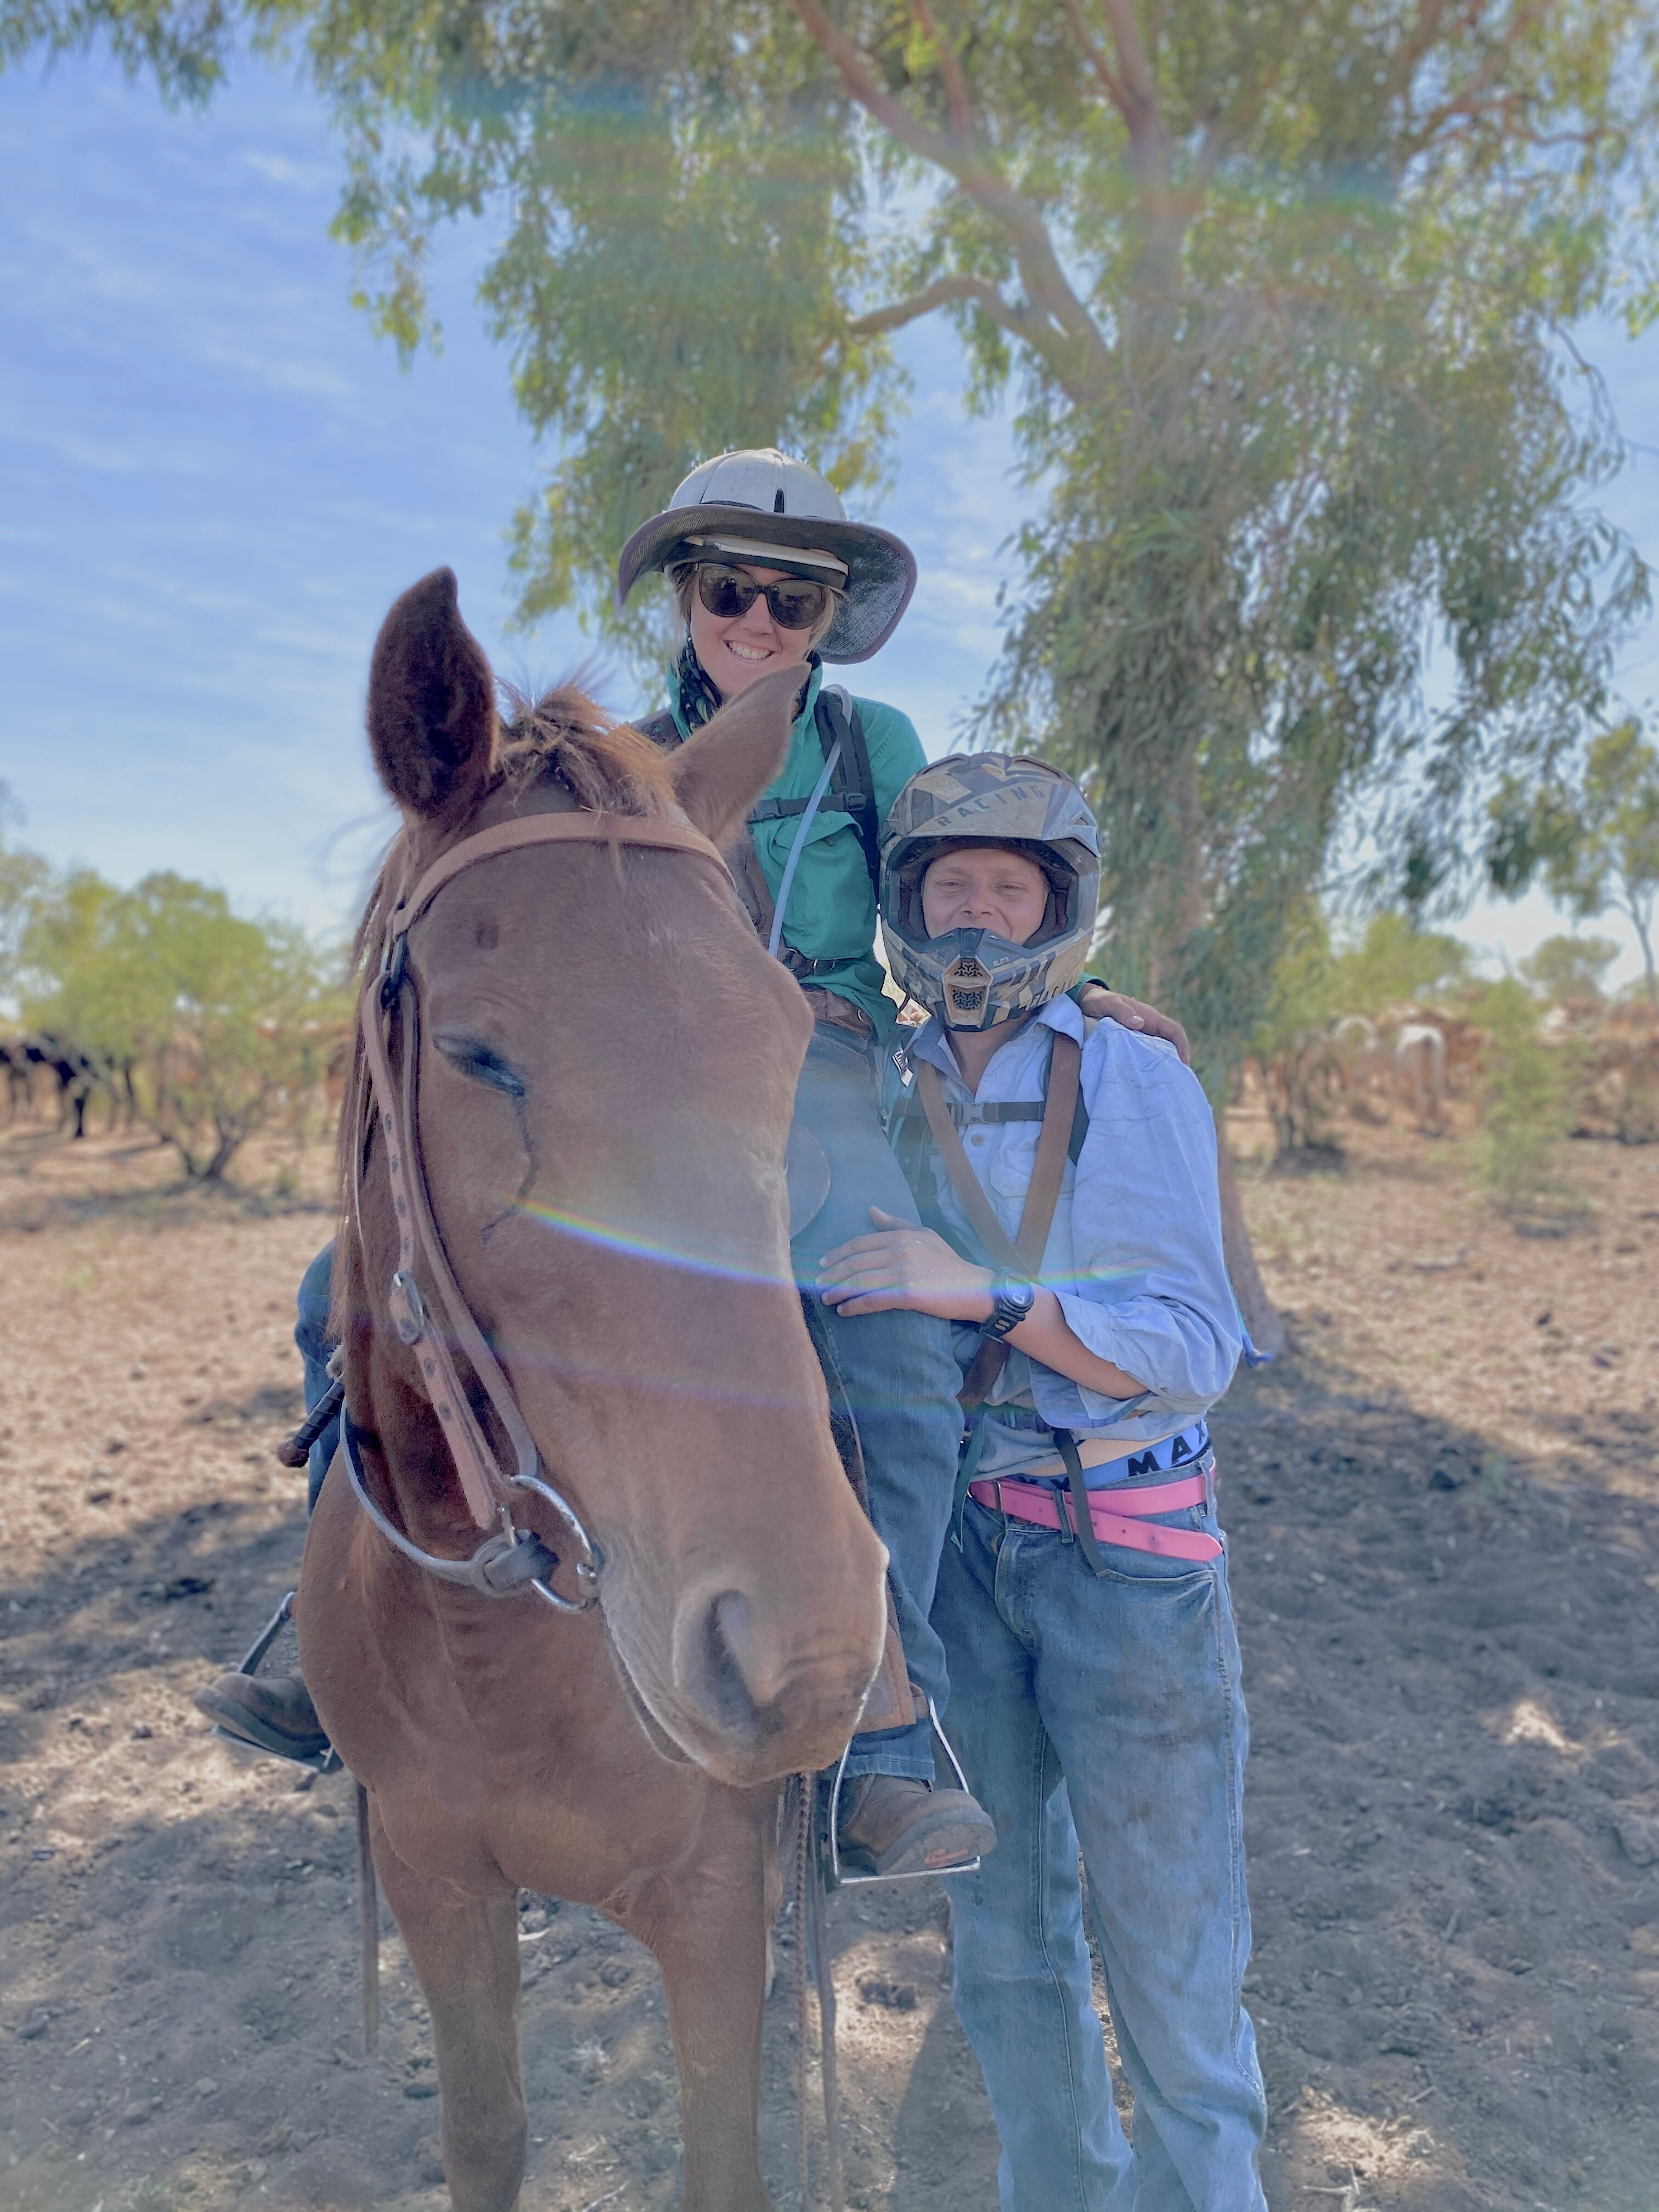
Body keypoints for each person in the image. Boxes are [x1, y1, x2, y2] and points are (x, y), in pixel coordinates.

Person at [200, 449, 1187, 1884]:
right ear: (684, 595)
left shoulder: (873, 749)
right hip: (638, 1089)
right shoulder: (609, 754)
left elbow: (968, 889)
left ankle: (879, 1730)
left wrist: (1076, 990)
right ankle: (327, 1608)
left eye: (796, 599)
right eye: (732, 587)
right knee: (334, 1297)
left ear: (827, 622)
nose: (761, 618)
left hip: (822, 1081)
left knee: (903, 1364)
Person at [817, 753, 1267, 2207]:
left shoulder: (1130, 1071)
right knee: (1005, 1952)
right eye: (950, 888)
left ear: (1062, 910)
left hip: (1124, 1555)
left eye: (1012, 892)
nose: (978, 921)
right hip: (957, 1556)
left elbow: (1196, 1343)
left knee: (1172, 1959)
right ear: (905, 910)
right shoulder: (873, 1083)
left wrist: (989, 1295)